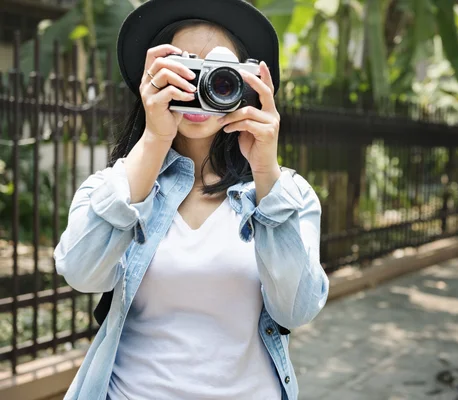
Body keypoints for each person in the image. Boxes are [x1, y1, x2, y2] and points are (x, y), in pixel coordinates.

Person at [53, 0, 329, 399]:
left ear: (247, 85)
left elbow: (297, 311)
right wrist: (154, 140)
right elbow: (81, 273)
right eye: (185, 71)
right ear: (155, 78)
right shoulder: (116, 186)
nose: (200, 89)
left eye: (218, 75)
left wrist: (266, 172)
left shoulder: (287, 194)